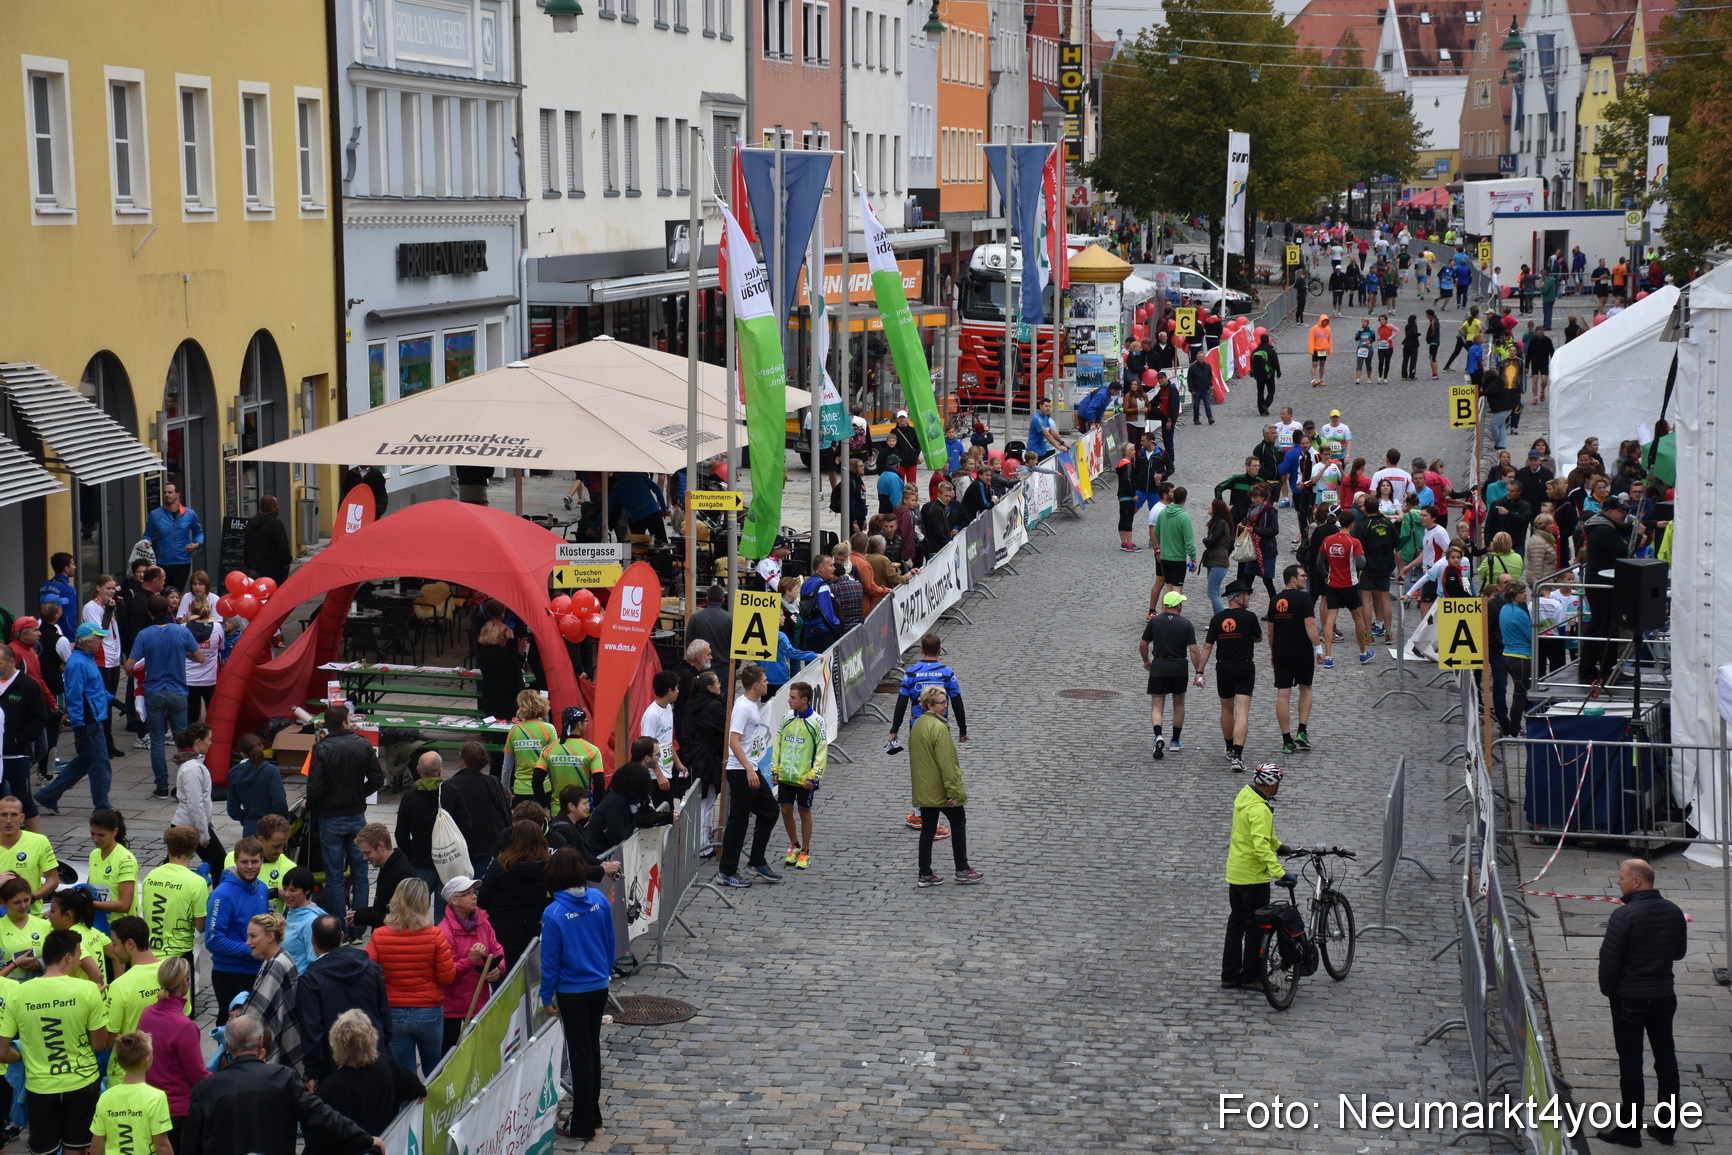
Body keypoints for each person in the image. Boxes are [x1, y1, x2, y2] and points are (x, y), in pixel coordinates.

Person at [182, 1015, 380, 1155]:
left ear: (227, 1045)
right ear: (260, 1042)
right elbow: (321, 1115)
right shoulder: (283, 1078)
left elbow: (191, 1144)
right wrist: (366, 1138)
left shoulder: (206, 1088)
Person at [1594, 859, 1687, 1147]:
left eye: (1621, 877)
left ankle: (1629, 1129)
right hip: (1664, 997)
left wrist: (1609, 991)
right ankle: (1667, 1128)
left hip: (1630, 998)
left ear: (1637, 881)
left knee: (1631, 1064)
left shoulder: (1624, 916)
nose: (1618, 882)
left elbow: (1609, 961)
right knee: (1666, 1060)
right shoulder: (1674, 911)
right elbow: (1679, 953)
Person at [0, 928, 109, 1154]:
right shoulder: (88, 990)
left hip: (40, 1087)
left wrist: (22, 1053)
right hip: (82, 1083)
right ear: (68, 957)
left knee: (44, 1150)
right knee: (76, 1149)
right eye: (79, 955)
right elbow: (100, 1044)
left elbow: (2, 1053)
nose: (80, 961)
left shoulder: (18, 993)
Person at [539, 848, 614, 1141]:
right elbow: (609, 940)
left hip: (572, 990)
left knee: (580, 1054)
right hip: (598, 985)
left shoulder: (554, 913)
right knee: (591, 1049)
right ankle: (592, 1115)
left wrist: (547, 996)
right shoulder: (598, 900)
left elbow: (550, 960)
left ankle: (582, 1124)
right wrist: (604, 971)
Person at [305, 704, 384, 930]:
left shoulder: (321, 748)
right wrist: (360, 794)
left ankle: (338, 927)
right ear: (344, 722)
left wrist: (314, 805)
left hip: (330, 817)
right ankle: (358, 926)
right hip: (356, 816)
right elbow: (378, 779)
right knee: (361, 873)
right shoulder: (363, 744)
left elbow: (314, 787)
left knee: (334, 876)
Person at [364, 878, 453, 1078]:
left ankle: (409, 1099)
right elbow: (447, 978)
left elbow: (367, 970)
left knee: (405, 1072)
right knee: (434, 1066)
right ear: (424, 903)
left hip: (394, 1011)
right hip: (428, 1011)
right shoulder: (436, 935)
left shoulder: (380, 935)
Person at [297, 915, 393, 1093]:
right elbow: (384, 1014)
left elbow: (311, 1030)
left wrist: (311, 1072)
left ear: (312, 939)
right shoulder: (370, 968)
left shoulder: (310, 981)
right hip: (373, 1056)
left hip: (334, 1067)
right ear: (342, 936)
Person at [124, 596, 202, 799]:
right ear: (168, 609)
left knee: (157, 740)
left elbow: (129, 666)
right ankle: (185, 785)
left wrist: (135, 672)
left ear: (149, 613)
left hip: (154, 691)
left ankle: (161, 787)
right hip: (178, 691)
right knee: (182, 740)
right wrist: (184, 654)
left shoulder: (144, 634)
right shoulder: (182, 631)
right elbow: (200, 657)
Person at [1222, 764, 1289, 990]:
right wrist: (1280, 872)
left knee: (1236, 925)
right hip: (1254, 877)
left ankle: (1230, 975)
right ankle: (1251, 977)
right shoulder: (1260, 810)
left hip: (1236, 873)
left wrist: (1279, 846)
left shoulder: (1245, 799)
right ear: (1272, 785)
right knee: (1255, 929)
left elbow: (1255, 835)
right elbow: (1260, 846)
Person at [37, 623, 115, 813]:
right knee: (100, 765)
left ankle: (48, 795)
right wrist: (79, 726)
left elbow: (93, 690)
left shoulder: (85, 659)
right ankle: (102, 806)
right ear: (88, 642)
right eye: (98, 638)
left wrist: (113, 700)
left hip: (92, 719)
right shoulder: (79, 663)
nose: (101, 642)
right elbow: (75, 697)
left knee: (84, 762)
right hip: (89, 721)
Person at [315, 1009, 425, 1139]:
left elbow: (322, 1135)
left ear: (335, 1043)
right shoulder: (386, 1063)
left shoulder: (331, 1088)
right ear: (372, 1038)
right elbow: (413, 1085)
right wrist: (421, 1091)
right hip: (388, 1141)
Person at [909, 686, 979, 887]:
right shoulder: (939, 728)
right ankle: (962, 869)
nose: (946, 705)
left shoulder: (918, 724)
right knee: (958, 822)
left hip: (925, 789)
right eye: (942, 702)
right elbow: (947, 764)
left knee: (928, 829)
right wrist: (953, 792)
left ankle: (924, 873)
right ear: (930, 705)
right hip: (940, 789)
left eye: (945, 701)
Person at [718, 666, 779, 887]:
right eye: (765, 680)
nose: (767, 682)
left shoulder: (751, 705)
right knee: (738, 821)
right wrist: (749, 769)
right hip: (741, 771)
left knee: (770, 811)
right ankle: (727, 871)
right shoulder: (743, 707)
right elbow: (733, 741)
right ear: (756, 685)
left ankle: (756, 861)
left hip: (749, 769)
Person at [137, 956, 206, 1149]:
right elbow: (197, 1075)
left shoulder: (147, 1013)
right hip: (177, 1112)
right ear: (185, 983)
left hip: (150, 1105)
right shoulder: (184, 1026)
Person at [1197, 580, 1261, 773]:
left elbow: (1207, 646)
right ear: (1239, 597)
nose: (1249, 598)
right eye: (1247, 595)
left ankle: (1229, 748)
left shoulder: (1217, 619)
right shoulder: (1250, 617)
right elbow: (1258, 638)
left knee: (1226, 709)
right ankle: (1238, 756)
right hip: (1244, 666)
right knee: (1242, 711)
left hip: (1223, 667)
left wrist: (1200, 671)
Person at [206, 836, 268, 1025]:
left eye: (254, 861)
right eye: (244, 862)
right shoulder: (222, 895)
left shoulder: (262, 888)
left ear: (262, 860)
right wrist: (250, 950)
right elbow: (213, 940)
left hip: (258, 970)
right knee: (232, 1028)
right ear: (235, 861)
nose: (249, 866)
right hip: (230, 973)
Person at [437, 876, 503, 1051]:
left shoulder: (482, 921)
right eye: (467, 894)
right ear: (454, 900)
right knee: (448, 1055)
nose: (474, 897)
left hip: (478, 1003)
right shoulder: (444, 932)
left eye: (474, 892)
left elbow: (497, 950)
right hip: (452, 1008)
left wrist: (498, 968)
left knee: (478, 1054)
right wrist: (470, 960)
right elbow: (446, 974)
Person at [139, 825, 206, 997]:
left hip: (150, 955)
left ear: (168, 847)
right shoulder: (196, 882)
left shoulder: (151, 876)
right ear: (193, 850)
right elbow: (200, 926)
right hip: (179, 958)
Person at [477, 820, 551, 970]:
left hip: (500, 932)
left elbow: (482, 900)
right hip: (531, 933)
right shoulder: (548, 867)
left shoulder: (501, 865)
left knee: (501, 977)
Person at [1141, 589, 1203, 761]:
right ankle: (1175, 740)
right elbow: (1193, 649)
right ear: (1178, 605)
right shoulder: (1186, 624)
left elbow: (1143, 644)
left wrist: (1146, 661)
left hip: (1159, 666)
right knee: (1179, 704)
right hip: (1179, 667)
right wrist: (1199, 671)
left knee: (1157, 706)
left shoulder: (1155, 621)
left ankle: (1158, 735)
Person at [772, 682, 828, 872]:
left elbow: (822, 750)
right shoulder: (786, 718)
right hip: (786, 776)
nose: (789, 700)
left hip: (805, 779)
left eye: (792, 697)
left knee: (804, 812)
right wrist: (775, 769)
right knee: (786, 810)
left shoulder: (817, 721)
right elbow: (778, 743)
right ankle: (794, 846)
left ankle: (805, 851)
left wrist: (814, 776)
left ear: (805, 700)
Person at [234, 912, 300, 1070]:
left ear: (270, 936)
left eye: (253, 936)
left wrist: (235, 1019)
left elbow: (254, 1017)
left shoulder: (275, 965)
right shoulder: (280, 957)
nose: (248, 942)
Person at [1318, 512, 1372, 667]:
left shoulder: (1328, 540)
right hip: (1350, 584)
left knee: (1330, 619)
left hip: (1332, 584)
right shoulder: (1354, 542)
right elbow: (1361, 564)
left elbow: (1319, 562)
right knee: (1357, 618)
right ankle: (1363, 653)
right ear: (1352, 524)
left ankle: (1328, 657)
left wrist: (1325, 576)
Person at [349, 824, 415, 934]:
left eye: (367, 852)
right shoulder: (389, 865)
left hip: (393, 940)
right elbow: (386, 906)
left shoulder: (402, 873)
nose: (364, 858)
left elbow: (402, 918)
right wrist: (362, 913)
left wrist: (365, 917)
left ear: (381, 846)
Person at [501, 690, 556, 807]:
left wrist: (505, 787)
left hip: (521, 788)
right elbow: (554, 761)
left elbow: (507, 766)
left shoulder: (514, 731)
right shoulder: (548, 729)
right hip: (543, 786)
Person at [145, 483, 203, 593]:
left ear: (177, 494)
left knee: (176, 593)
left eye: (170, 492)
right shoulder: (155, 514)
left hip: (183, 562)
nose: (166, 495)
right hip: (163, 562)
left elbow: (199, 532)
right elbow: (148, 534)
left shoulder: (189, 514)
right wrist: (147, 541)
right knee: (165, 593)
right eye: (164, 492)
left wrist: (197, 543)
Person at [797, 554, 845, 653]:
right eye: (831, 565)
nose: (834, 568)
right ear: (821, 568)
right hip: (823, 634)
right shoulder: (823, 586)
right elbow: (827, 613)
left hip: (808, 633)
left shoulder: (805, 584)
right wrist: (838, 626)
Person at [241, 495, 292, 585]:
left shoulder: (250, 524)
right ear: (273, 507)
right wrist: (286, 562)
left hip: (254, 569)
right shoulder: (276, 524)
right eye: (277, 505)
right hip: (274, 569)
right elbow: (282, 546)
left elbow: (246, 546)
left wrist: (248, 565)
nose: (279, 507)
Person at [278, 867, 321, 971]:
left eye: (293, 890)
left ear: (307, 891)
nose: (286, 895)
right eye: (285, 889)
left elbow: (315, 961)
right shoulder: (290, 912)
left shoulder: (311, 922)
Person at [683, 585, 732, 659]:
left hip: (701, 663)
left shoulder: (695, 618)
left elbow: (689, 646)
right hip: (723, 664)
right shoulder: (730, 619)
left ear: (707, 599)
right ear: (723, 600)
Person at [1250, 331, 1281, 416]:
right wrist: (1278, 372)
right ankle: (1266, 404)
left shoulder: (1256, 350)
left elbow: (1251, 362)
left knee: (1260, 392)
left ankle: (1261, 410)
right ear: (1268, 340)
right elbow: (1275, 363)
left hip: (1258, 375)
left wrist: (1252, 372)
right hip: (1269, 374)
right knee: (1271, 391)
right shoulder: (1271, 350)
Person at [1306, 314, 1332, 387]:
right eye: (1324, 321)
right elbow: (1311, 339)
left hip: (1324, 350)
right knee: (1314, 364)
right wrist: (1311, 350)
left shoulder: (1328, 329)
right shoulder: (1314, 328)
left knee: (1322, 365)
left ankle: (1321, 379)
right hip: (1316, 350)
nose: (1325, 322)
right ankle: (1313, 380)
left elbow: (1329, 340)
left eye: (1326, 321)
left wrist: (1329, 349)